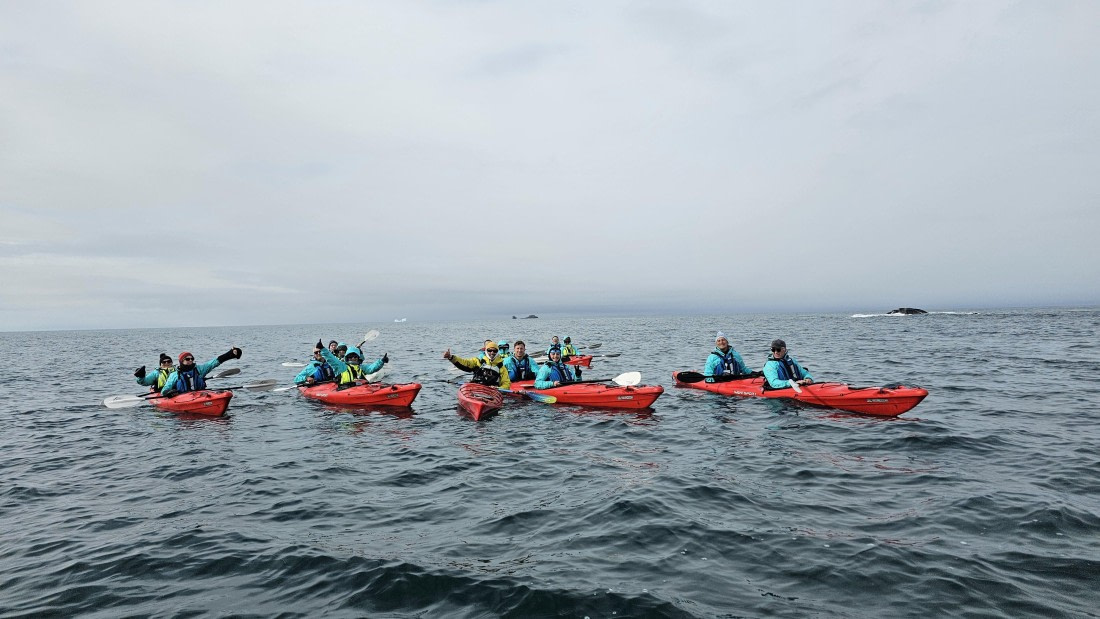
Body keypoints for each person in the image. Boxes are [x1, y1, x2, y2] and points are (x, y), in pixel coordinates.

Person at [160, 347, 243, 395]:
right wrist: (169, 392)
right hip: (182, 397)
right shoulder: (175, 374)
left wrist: (230, 354)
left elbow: (214, 362)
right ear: (181, 361)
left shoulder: (199, 369)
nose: (190, 360)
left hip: (200, 395)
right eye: (187, 359)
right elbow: (164, 390)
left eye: (192, 358)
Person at [444, 340, 511, 388]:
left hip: (492, 391)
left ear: (497, 352)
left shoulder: (501, 367)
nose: (492, 353)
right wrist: (451, 357)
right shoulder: (478, 361)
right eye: (489, 350)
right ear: (486, 351)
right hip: (476, 388)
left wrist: (499, 388)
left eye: (494, 351)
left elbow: (506, 383)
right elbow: (464, 363)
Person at [320, 340, 387, 387]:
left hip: (358, 389)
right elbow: (331, 359)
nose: (353, 358)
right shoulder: (342, 366)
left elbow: (371, 368)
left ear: (358, 358)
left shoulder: (361, 367)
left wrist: (381, 361)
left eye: (355, 357)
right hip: (344, 389)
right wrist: (322, 349)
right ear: (347, 358)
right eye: (350, 357)